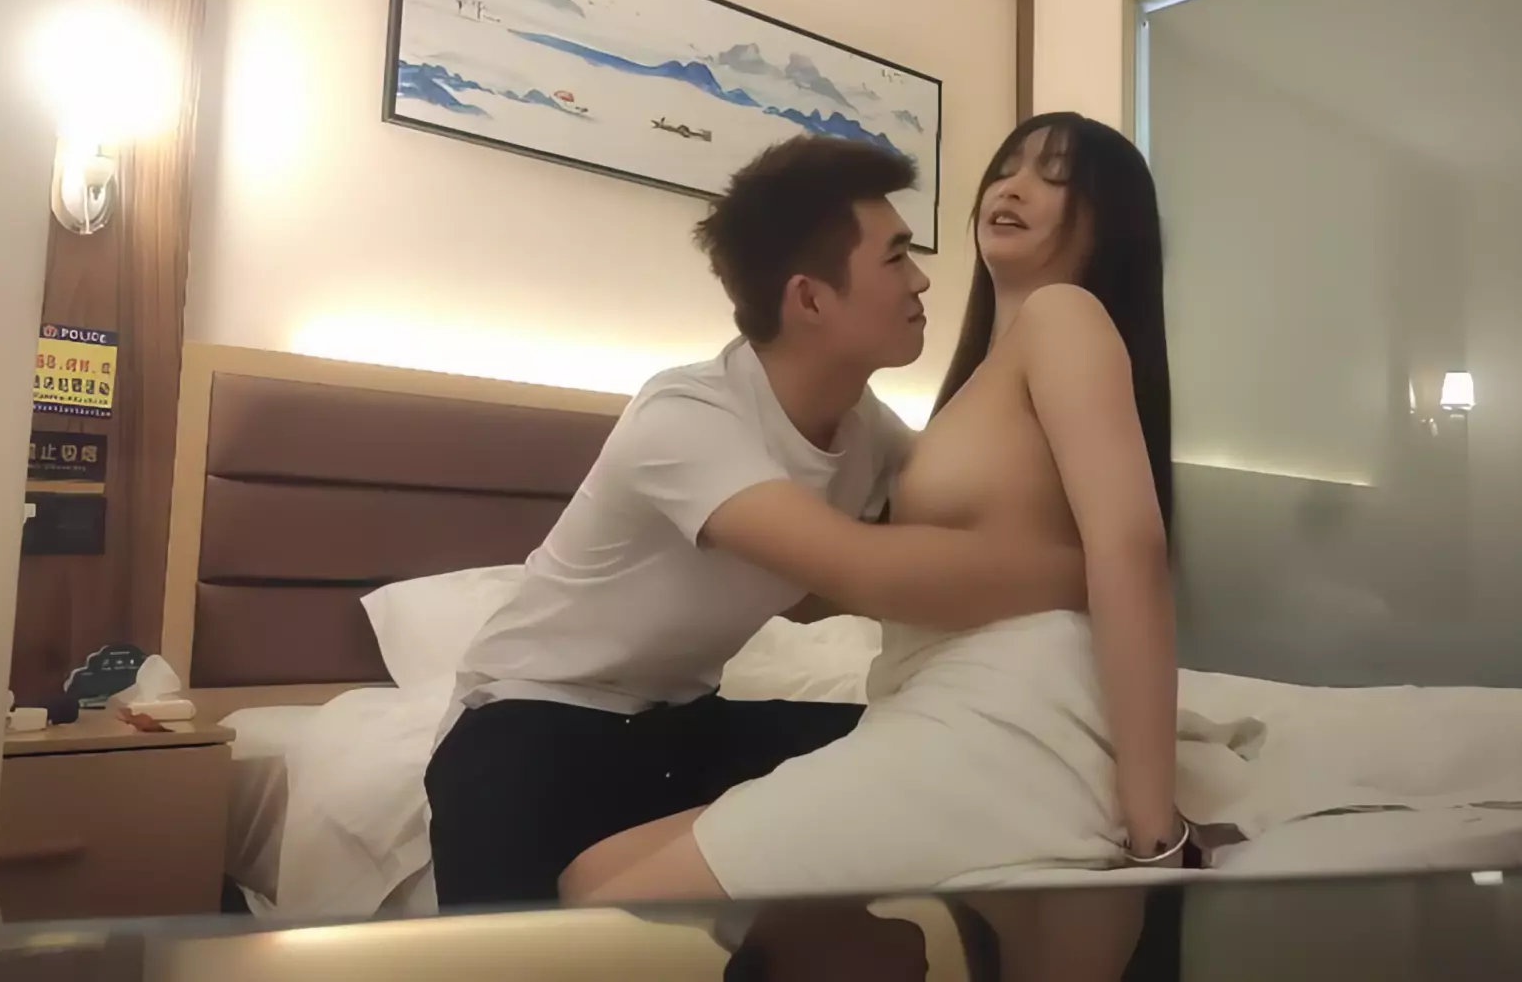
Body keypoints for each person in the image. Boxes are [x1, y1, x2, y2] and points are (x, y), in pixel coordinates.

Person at [423, 136, 1091, 909]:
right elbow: (865, 571)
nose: (920, 279)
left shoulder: (865, 426)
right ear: (810, 300)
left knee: (927, 753)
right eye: (896, 257)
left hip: (684, 725)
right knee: (517, 955)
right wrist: (1091, 570)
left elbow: (948, 530)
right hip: (531, 723)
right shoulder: (685, 416)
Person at [560, 112, 1183, 930]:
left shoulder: (1064, 315)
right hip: (929, 697)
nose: (1014, 186)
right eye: (1008, 166)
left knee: (605, 911)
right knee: (588, 875)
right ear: (808, 298)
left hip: (1004, 707)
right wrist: (1072, 568)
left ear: (1109, 220)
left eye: (1057, 176)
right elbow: (857, 574)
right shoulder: (957, 394)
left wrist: (1155, 830)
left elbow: (1129, 548)